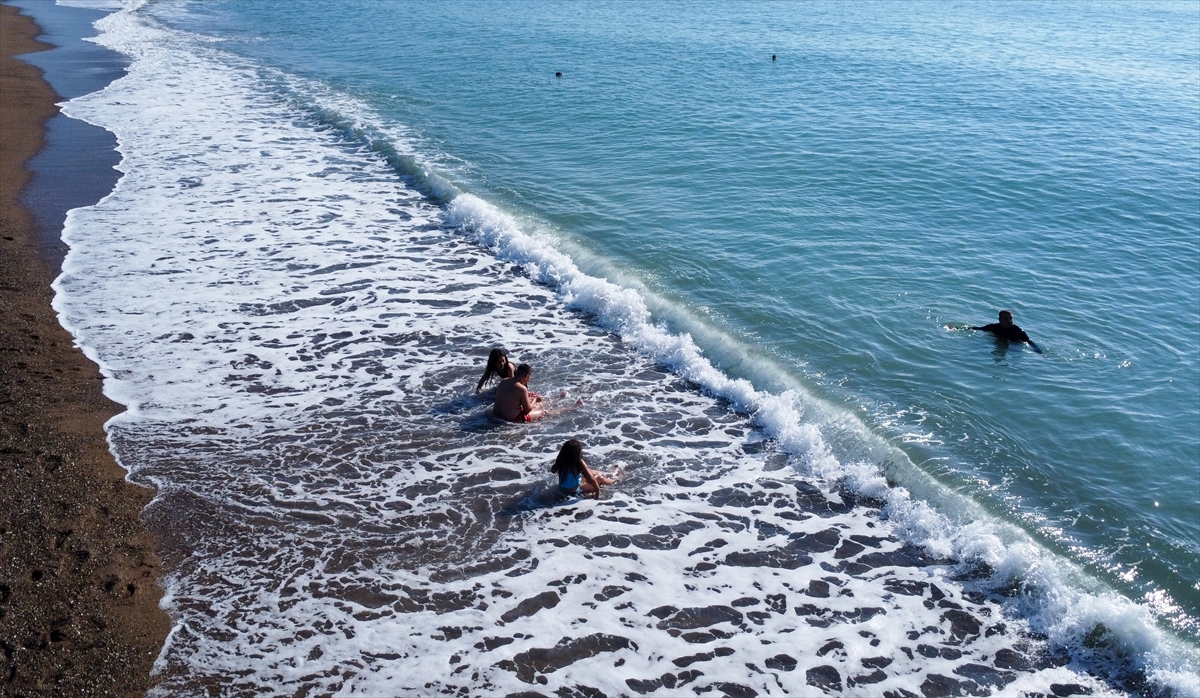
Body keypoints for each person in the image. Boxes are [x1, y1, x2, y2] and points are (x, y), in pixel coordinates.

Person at [970, 309, 1041, 352]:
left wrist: (1039, 353)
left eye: (1010, 318)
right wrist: (961, 329)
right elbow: (979, 329)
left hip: (1014, 345)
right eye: (1006, 319)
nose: (1009, 321)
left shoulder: (1018, 331)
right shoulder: (994, 327)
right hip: (1001, 340)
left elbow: (1030, 343)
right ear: (1000, 320)